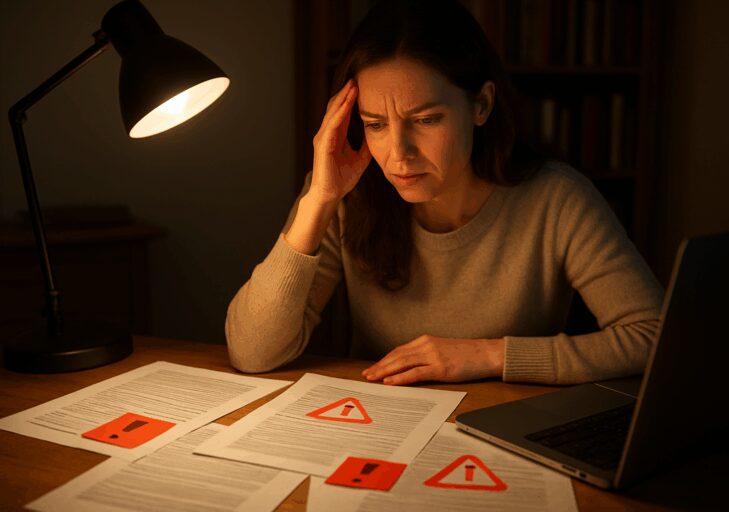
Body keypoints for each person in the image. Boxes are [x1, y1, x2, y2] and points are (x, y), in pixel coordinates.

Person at [226, 0, 663, 386]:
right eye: (376, 124)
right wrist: (318, 200)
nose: (399, 154)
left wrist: (489, 356)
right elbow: (253, 353)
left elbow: (652, 335)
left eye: (426, 119)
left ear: (481, 106)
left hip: (502, 426)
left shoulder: (556, 199)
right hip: (379, 426)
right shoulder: (345, 194)